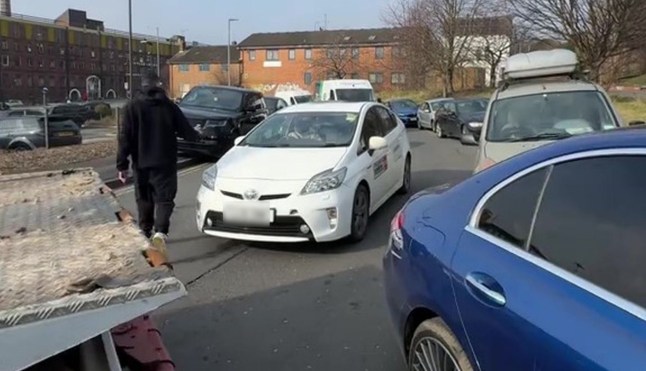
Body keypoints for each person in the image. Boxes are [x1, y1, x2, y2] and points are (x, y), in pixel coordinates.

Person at [116, 70, 199, 254]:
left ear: (142, 85)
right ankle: (160, 233)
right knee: (165, 199)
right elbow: (186, 131)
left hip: (141, 163)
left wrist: (122, 165)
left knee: (144, 198)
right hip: (165, 163)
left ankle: (145, 231)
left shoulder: (131, 107)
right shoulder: (169, 106)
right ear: (158, 85)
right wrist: (200, 135)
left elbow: (124, 138)